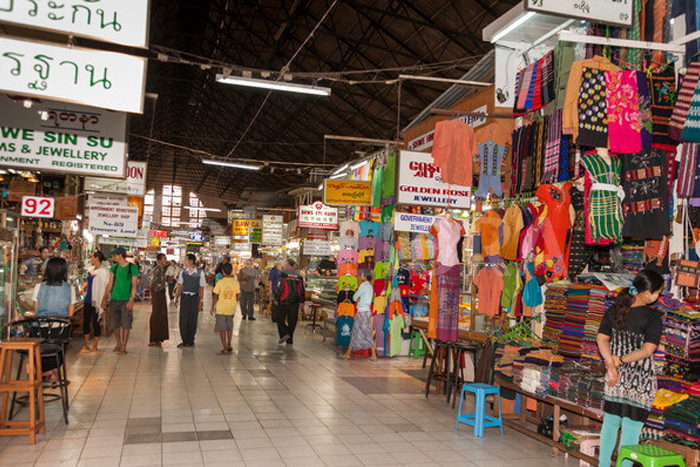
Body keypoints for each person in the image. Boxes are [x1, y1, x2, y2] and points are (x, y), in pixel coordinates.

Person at [596, 269, 665, 467]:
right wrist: (621, 360)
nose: (657, 297)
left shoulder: (615, 309)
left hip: (615, 378)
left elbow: (602, 338)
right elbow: (648, 350)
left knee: (610, 424)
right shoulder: (653, 318)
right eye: (657, 293)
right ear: (647, 293)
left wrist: (611, 364)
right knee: (631, 430)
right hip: (640, 381)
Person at [102, 247, 139, 355]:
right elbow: (110, 283)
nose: (113, 257)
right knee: (115, 323)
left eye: (114, 255)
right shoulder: (114, 267)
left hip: (126, 300)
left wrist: (131, 299)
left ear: (120, 255)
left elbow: (134, 284)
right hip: (114, 299)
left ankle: (123, 346)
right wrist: (104, 298)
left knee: (126, 324)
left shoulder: (132, 268)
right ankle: (118, 343)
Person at [340, 273, 377, 361]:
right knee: (356, 331)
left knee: (366, 331)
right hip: (366, 311)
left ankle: (374, 355)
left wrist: (357, 298)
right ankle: (348, 353)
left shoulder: (363, 285)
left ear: (364, 277)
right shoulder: (370, 287)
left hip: (362, 312)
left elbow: (354, 297)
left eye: (362, 275)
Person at [174, 254, 207, 348]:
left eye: (186, 260)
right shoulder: (183, 272)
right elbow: (180, 285)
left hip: (194, 298)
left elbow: (201, 287)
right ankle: (184, 340)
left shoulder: (200, 273)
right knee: (183, 319)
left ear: (191, 261)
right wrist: (177, 298)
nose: (185, 262)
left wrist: (201, 301)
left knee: (192, 318)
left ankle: (190, 340)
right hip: (185, 297)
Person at [79, 251, 109, 351]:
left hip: (97, 299)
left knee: (95, 321)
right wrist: (82, 288)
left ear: (97, 258)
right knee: (86, 321)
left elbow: (106, 286)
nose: (90, 259)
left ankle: (95, 344)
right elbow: (87, 281)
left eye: (92, 257)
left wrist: (104, 299)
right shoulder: (90, 270)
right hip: (88, 298)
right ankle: (87, 343)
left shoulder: (104, 272)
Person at [274, 258, 305, 345]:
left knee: (279, 318)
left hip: (284, 300)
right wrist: (302, 301)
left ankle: (284, 333)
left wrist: (276, 298)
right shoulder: (299, 276)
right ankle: (290, 339)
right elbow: (302, 289)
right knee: (292, 320)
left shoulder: (283, 274)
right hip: (295, 301)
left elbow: (280, 287)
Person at [211, 263, 240, 354]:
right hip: (231, 308)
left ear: (223, 272)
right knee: (229, 327)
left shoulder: (220, 282)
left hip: (221, 308)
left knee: (222, 328)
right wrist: (233, 300)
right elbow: (239, 295)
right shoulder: (235, 282)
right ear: (231, 271)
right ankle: (229, 344)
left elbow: (215, 296)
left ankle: (224, 348)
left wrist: (212, 307)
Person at [148, 253, 169, 347]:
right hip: (157, 294)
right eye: (164, 259)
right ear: (159, 261)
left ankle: (159, 338)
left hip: (161, 293)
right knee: (156, 315)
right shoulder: (156, 270)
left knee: (162, 315)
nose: (166, 260)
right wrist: (151, 295)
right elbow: (151, 284)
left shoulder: (163, 269)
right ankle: (153, 339)